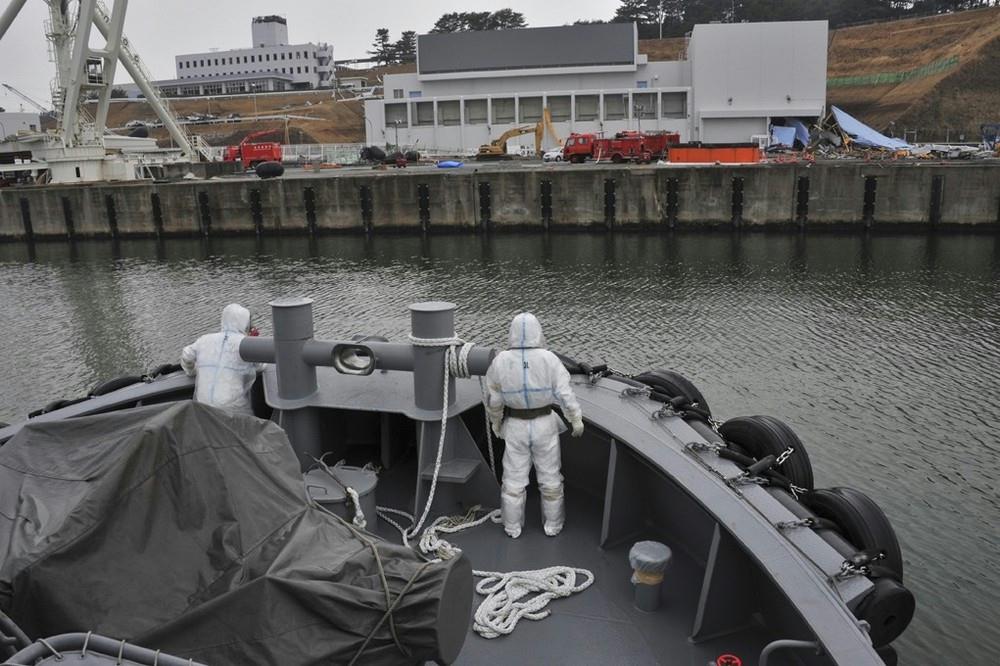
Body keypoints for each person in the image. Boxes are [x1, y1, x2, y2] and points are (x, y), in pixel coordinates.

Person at [485, 312, 584, 539]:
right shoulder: (549, 359)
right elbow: (565, 393)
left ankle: (512, 527)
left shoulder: (500, 361)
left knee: (513, 479)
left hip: (516, 426)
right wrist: (575, 419)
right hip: (545, 425)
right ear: (538, 331)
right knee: (550, 478)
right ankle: (553, 525)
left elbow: (494, 400)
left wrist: (496, 422)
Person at [180, 303, 261, 415]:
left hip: (203, 405)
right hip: (233, 407)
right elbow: (260, 366)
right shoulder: (244, 344)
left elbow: (187, 354)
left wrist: (192, 371)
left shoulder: (205, 339)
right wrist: (255, 343)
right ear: (245, 323)